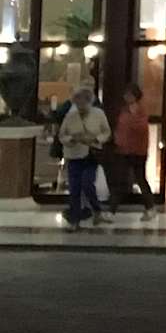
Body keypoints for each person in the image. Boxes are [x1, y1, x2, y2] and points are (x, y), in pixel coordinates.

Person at [59, 85, 113, 232]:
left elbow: (106, 132)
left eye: (83, 101)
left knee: (87, 183)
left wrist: (96, 139)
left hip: (91, 155)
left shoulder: (98, 114)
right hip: (74, 154)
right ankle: (75, 220)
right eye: (77, 102)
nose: (80, 105)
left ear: (89, 101)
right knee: (74, 188)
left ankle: (97, 210)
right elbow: (62, 135)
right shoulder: (70, 117)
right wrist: (72, 139)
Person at [109, 83, 155, 219]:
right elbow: (120, 128)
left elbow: (140, 128)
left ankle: (150, 208)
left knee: (140, 179)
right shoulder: (123, 110)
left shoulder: (140, 111)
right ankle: (111, 211)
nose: (126, 97)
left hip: (137, 151)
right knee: (119, 181)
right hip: (123, 150)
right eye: (126, 94)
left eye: (129, 94)